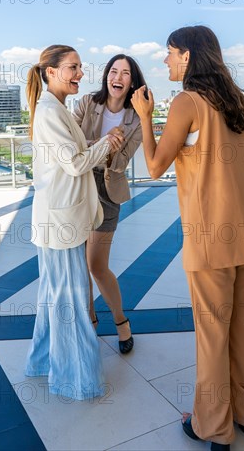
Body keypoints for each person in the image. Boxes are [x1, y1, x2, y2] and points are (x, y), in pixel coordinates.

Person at [131, 26, 244, 451]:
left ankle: (213, 428)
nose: (165, 62)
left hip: (212, 238)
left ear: (189, 56)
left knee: (212, 333)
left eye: (171, 54)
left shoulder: (186, 102)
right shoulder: (235, 100)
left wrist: (145, 117)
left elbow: (157, 166)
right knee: (243, 328)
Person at [24, 45, 123, 400]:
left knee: (56, 296)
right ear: (50, 72)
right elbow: (75, 164)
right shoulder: (52, 111)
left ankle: (48, 363)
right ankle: (75, 379)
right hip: (61, 222)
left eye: (80, 67)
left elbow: (72, 153)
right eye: (73, 67)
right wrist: (108, 142)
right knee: (71, 301)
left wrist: (97, 143)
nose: (80, 73)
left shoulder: (54, 108)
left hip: (58, 219)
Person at [73, 54, 147, 353]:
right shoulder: (88, 103)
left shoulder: (137, 119)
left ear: (132, 81)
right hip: (77, 187)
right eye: (113, 71)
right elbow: (72, 143)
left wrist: (105, 148)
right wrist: (102, 142)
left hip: (107, 190)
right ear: (107, 76)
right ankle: (90, 324)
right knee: (79, 266)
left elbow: (121, 161)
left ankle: (121, 322)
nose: (118, 77)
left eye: (125, 73)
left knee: (96, 265)